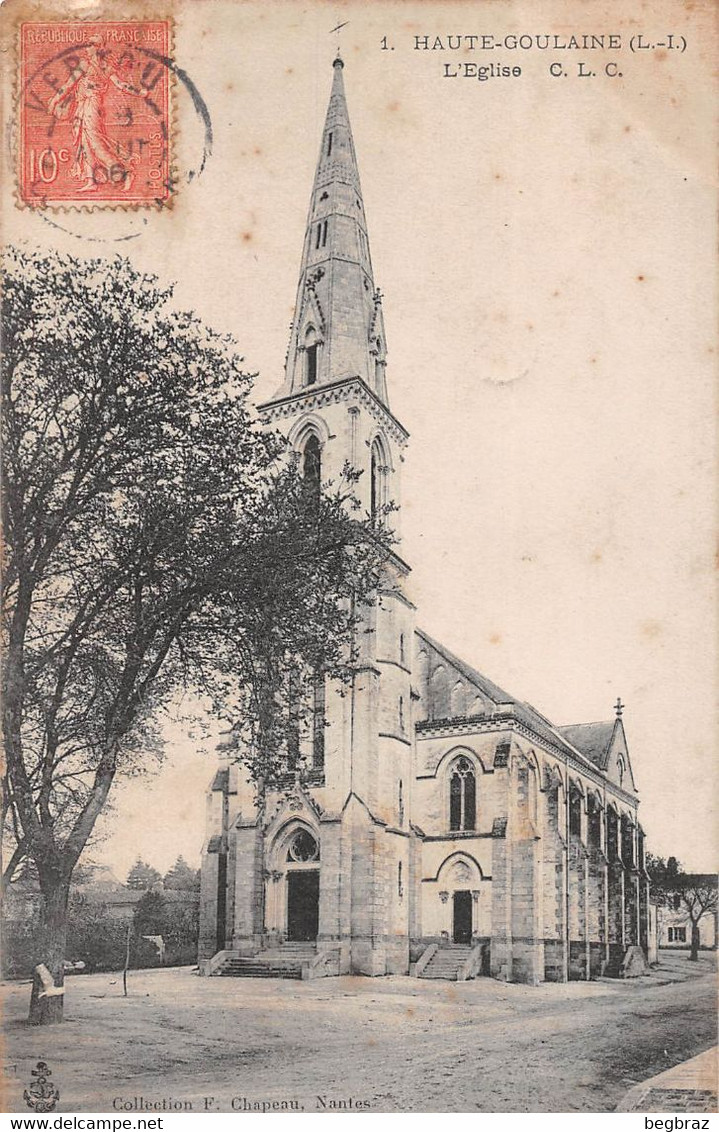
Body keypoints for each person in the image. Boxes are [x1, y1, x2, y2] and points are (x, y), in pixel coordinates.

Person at [47, 35, 150, 192]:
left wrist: (140, 92)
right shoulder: (96, 66)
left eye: (90, 44)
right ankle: (91, 181)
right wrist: (55, 100)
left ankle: (126, 171)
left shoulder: (93, 66)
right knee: (85, 143)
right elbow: (71, 84)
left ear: (97, 48)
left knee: (95, 143)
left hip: (92, 106)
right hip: (84, 107)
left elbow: (121, 85)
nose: (87, 48)